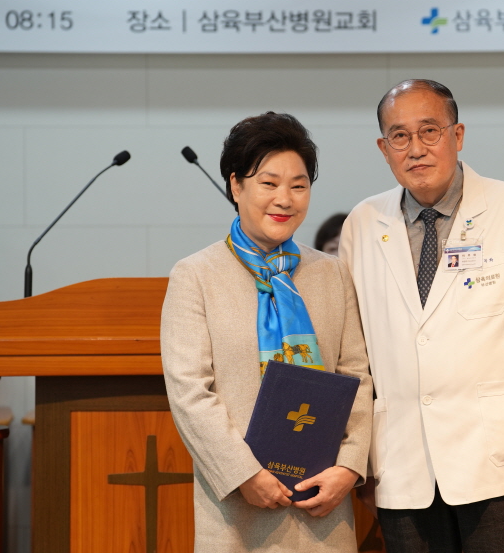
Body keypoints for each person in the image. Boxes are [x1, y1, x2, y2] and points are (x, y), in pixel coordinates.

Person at [339, 79, 504, 553]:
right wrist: (360, 462)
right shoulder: (362, 224)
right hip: (402, 467)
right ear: (384, 149)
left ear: (458, 135)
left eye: (429, 130)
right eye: (400, 136)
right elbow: (355, 355)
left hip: (501, 468)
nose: (416, 148)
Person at [160, 112, 373, 552]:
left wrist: (349, 467)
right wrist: (245, 474)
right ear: (236, 186)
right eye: (269, 183)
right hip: (239, 508)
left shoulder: (331, 273)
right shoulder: (196, 276)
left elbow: (357, 376)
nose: (285, 199)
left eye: (299, 185)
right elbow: (189, 393)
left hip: (322, 504)